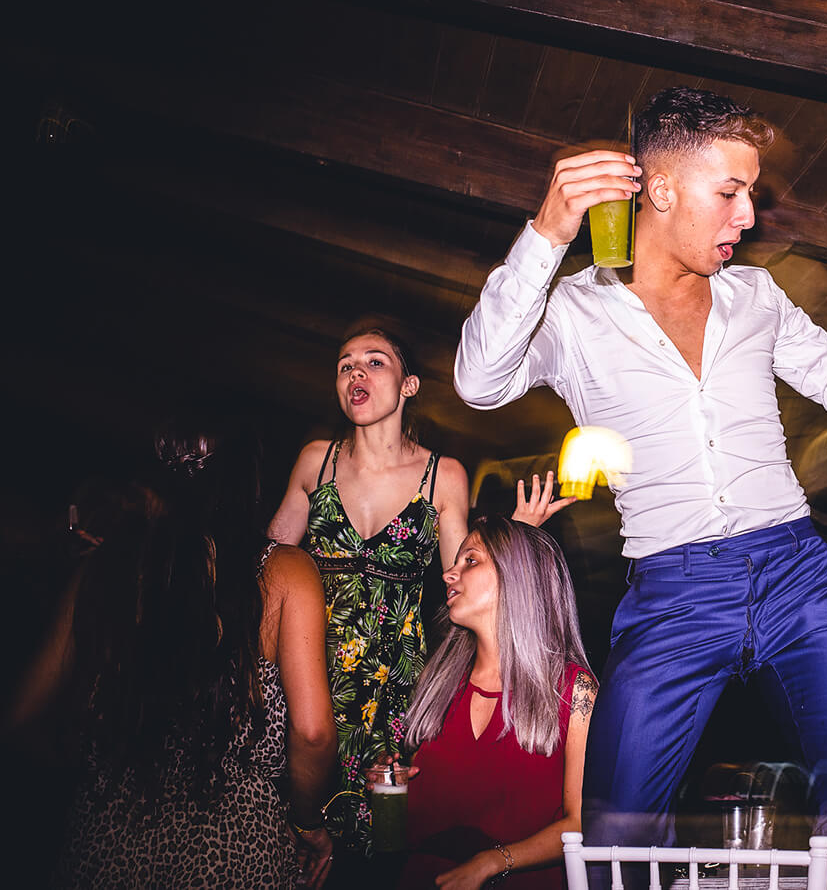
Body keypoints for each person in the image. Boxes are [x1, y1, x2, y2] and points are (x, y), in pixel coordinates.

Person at [454, 86, 827, 887]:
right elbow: (479, 381)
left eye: (751, 192)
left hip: (795, 575)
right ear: (661, 188)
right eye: (730, 192)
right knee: (616, 826)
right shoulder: (574, 313)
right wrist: (547, 233)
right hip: (673, 593)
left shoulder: (757, 297)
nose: (748, 215)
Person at [269, 318, 571, 862]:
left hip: (395, 681)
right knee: (289, 831)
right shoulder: (317, 460)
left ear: (408, 385)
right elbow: (269, 567)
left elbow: (465, 577)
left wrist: (515, 537)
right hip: (308, 667)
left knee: (378, 846)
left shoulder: (442, 475)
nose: (356, 373)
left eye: (374, 362)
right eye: (345, 366)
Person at [34, 418, 337, 889]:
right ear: (249, 480)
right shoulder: (285, 573)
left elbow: (24, 714)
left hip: (105, 846)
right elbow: (313, 733)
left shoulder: (102, 570)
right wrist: (306, 822)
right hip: (235, 853)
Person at [393, 514, 596, 890]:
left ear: (515, 576)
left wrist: (491, 862)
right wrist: (396, 785)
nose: (449, 574)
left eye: (470, 560)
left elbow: (580, 823)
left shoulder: (574, 690)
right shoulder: (438, 682)